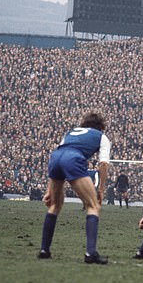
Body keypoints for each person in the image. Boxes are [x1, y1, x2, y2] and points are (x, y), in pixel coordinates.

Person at [38, 111, 111, 264]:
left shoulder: (70, 133)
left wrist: (49, 190)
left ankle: (44, 249)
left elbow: (60, 153)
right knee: (93, 206)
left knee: (55, 205)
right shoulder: (101, 137)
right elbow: (103, 164)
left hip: (55, 158)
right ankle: (91, 253)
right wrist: (101, 189)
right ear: (101, 126)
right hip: (73, 159)